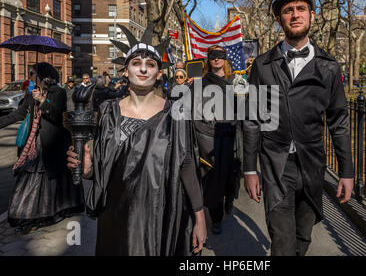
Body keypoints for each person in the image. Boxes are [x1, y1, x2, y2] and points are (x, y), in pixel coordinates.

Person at [243, 0, 354, 256]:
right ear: (280, 18)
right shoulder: (262, 66)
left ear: (311, 15)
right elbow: (252, 120)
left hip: (312, 165)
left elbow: (339, 121)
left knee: (303, 236)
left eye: (301, 8)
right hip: (275, 165)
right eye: (288, 10)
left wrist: (346, 171)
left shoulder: (328, 67)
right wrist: (249, 168)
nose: (295, 14)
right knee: (282, 239)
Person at [66, 24, 206, 256]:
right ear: (125, 71)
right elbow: (101, 168)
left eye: (150, 65)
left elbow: (187, 163)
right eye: (136, 63)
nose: (143, 70)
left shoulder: (177, 113)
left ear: (159, 73)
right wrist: (88, 167)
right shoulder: (108, 112)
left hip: (159, 216)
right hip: (116, 216)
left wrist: (199, 217)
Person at [0, 62, 84, 234]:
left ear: (42, 76)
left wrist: (42, 101)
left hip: (54, 143)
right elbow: (19, 113)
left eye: (32, 74)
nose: (30, 77)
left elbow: (57, 116)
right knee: (28, 178)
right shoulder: (31, 93)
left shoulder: (58, 93)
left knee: (52, 180)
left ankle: (50, 212)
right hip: (34, 143)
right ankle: (26, 214)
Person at [193, 45, 241, 235]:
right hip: (210, 138)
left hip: (232, 135)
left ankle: (230, 197)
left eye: (220, 55)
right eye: (213, 55)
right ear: (208, 59)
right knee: (213, 179)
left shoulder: (234, 83)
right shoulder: (200, 84)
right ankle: (216, 217)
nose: (216, 58)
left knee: (230, 176)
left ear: (225, 59)